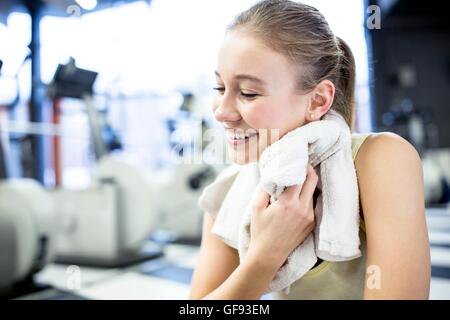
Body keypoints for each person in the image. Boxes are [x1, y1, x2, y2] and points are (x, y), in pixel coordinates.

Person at [190, 0, 430, 299]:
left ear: (317, 101)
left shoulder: (380, 159)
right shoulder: (227, 192)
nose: (221, 112)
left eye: (248, 93)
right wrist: (264, 256)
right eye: (220, 88)